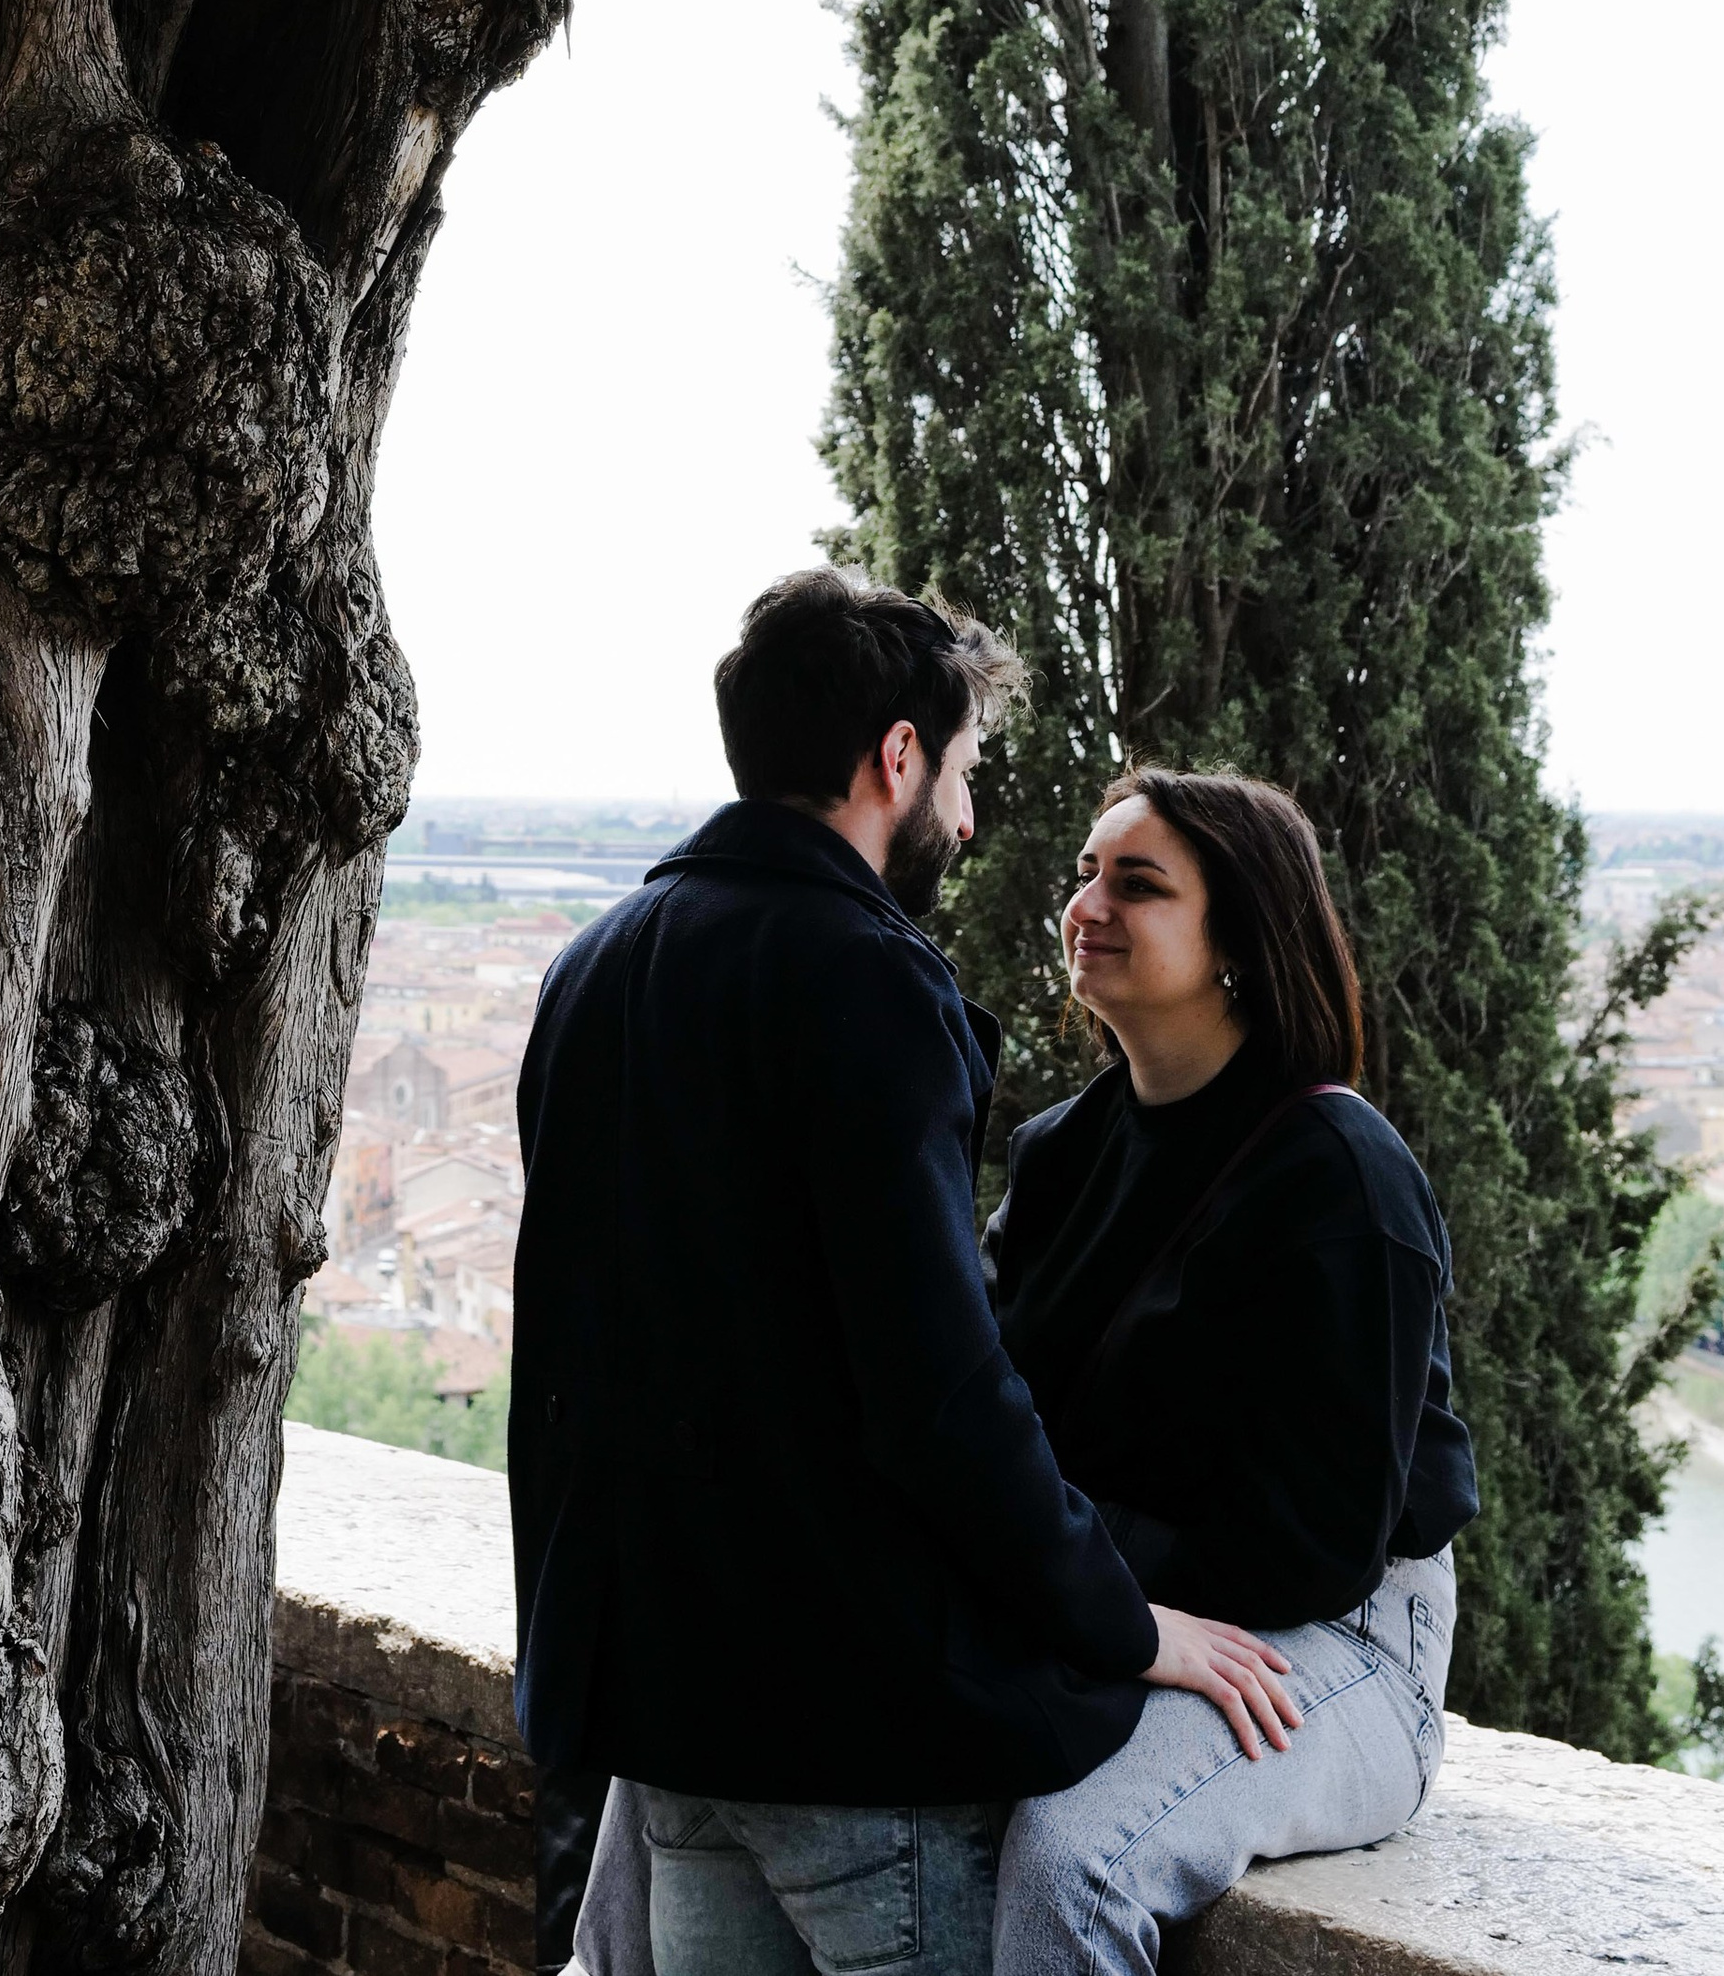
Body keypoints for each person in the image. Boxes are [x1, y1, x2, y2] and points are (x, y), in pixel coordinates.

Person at [509, 574, 1298, 1976]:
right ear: (894, 757)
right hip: (850, 1727)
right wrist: (1120, 1622)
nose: (971, 815)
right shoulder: (866, 975)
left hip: (669, 1718)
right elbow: (936, 1392)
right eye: (965, 771)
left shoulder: (596, 965)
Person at [982, 769, 1477, 1974]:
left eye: (1137, 883)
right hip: (1123, 1596)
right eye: (1086, 871)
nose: (1087, 902)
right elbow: (988, 1410)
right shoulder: (1061, 1154)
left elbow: (1313, 1541)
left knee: (1072, 1856)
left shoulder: (1338, 1174)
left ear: (1239, 943)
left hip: (1339, 1634)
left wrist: (1085, 1590)